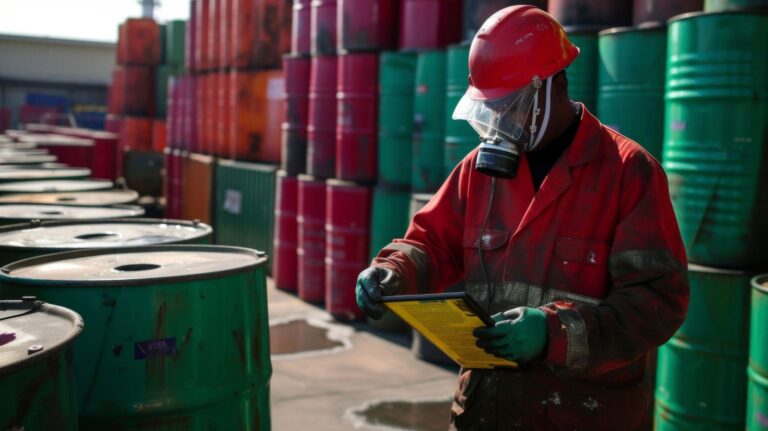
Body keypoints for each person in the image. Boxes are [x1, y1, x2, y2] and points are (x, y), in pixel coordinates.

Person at [355, 5, 689, 431]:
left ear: (557, 87)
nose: (500, 122)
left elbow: (657, 304)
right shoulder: (481, 171)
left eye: (512, 105)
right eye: (492, 108)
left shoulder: (628, 173)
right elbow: (430, 243)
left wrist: (555, 332)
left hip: (584, 415)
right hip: (488, 410)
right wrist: (391, 271)